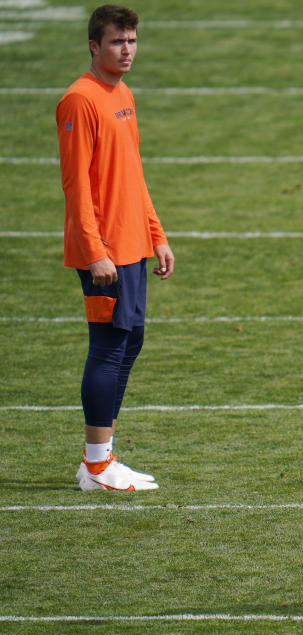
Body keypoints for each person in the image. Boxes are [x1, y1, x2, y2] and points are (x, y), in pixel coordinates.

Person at [57, 5, 175, 491]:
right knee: (108, 348)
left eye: (131, 40)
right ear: (93, 46)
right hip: (104, 251)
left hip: (132, 246)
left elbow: (133, 173)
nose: (126, 50)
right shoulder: (79, 101)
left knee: (130, 342)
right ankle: (97, 466)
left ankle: (102, 456)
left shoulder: (122, 94)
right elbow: (76, 185)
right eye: (116, 42)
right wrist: (94, 249)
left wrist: (157, 234)